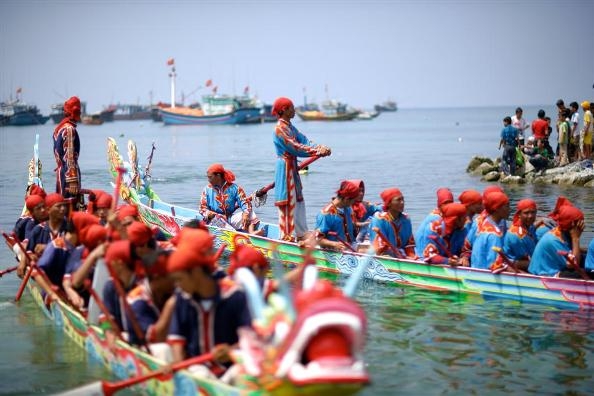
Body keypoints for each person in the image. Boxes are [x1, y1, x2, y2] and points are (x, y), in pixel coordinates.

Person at [166, 229, 251, 375]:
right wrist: (179, 366)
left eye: (179, 280)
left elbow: (250, 338)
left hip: (230, 369)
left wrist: (231, 350)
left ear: (196, 271)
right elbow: (177, 337)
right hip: (196, 369)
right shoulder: (183, 297)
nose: (178, 286)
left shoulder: (234, 295)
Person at [271, 97, 331, 241]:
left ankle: (302, 233)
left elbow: (304, 141)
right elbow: (294, 147)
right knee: (287, 201)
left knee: (298, 199)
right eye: (292, 107)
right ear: (284, 110)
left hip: (293, 167)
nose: (294, 110)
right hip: (285, 168)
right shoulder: (279, 129)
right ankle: (287, 236)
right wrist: (316, 151)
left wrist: (320, 147)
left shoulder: (291, 127)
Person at [199, 163, 260, 234]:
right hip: (213, 221)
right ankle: (236, 235)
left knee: (250, 213)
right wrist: (208, 213)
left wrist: (245, 213)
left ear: (218, 176)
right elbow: (202, 209)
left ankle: (252, 234)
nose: (208, 180)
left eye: (210, 177)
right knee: (218, 218)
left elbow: (245, 202)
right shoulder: (207, 190)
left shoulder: (234, 188)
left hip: (229, 218)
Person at [528, 205, 586, 278]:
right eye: (580, 224)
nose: (582, 227)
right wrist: (576, 238)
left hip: (554, 268)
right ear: (573, 225)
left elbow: (571, 250)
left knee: (585, 258)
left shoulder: (562, 232)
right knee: (580, 273)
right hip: (545, 274)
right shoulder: (554, 240)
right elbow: (573, 264)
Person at [370, 187, 417, 259]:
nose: (402, 202)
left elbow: (409, 244)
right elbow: (380, 249)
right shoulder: (379, 220)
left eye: (403, 199)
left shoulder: (406, 219)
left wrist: (412, 257)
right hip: (385, 254)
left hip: (400, 253)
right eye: (398, 200)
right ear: (389, 203)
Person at [314, 180, 359, 251]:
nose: (354, 203)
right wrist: (334, 244)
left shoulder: (348, 209)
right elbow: (317, 239)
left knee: (372, 250)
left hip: (351, 247)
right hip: (335, 252)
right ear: (347, 199)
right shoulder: (326, 214)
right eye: (353, 200)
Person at [470, 191, 510, 270]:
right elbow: (495, 266)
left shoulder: (484, 223)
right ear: (497, 209)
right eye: (507, 206)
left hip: (475, 268)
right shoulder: (495, 235)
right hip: (484, 275)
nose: (509, 209)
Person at [53, 96, 82, 199]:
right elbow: (69, 156)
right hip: (68, 175)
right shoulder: (69, 130)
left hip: (62, 172)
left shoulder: (60, 128)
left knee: (62, 202)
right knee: (70, 205)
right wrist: (72, 179)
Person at [502, 199, 538, 271]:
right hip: (515, 266)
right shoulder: (517, 236)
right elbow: (523, 261)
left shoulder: (528, 227)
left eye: (533, 212)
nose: (530, 216)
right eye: (526, 213)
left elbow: (532, 228)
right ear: (519, 214)